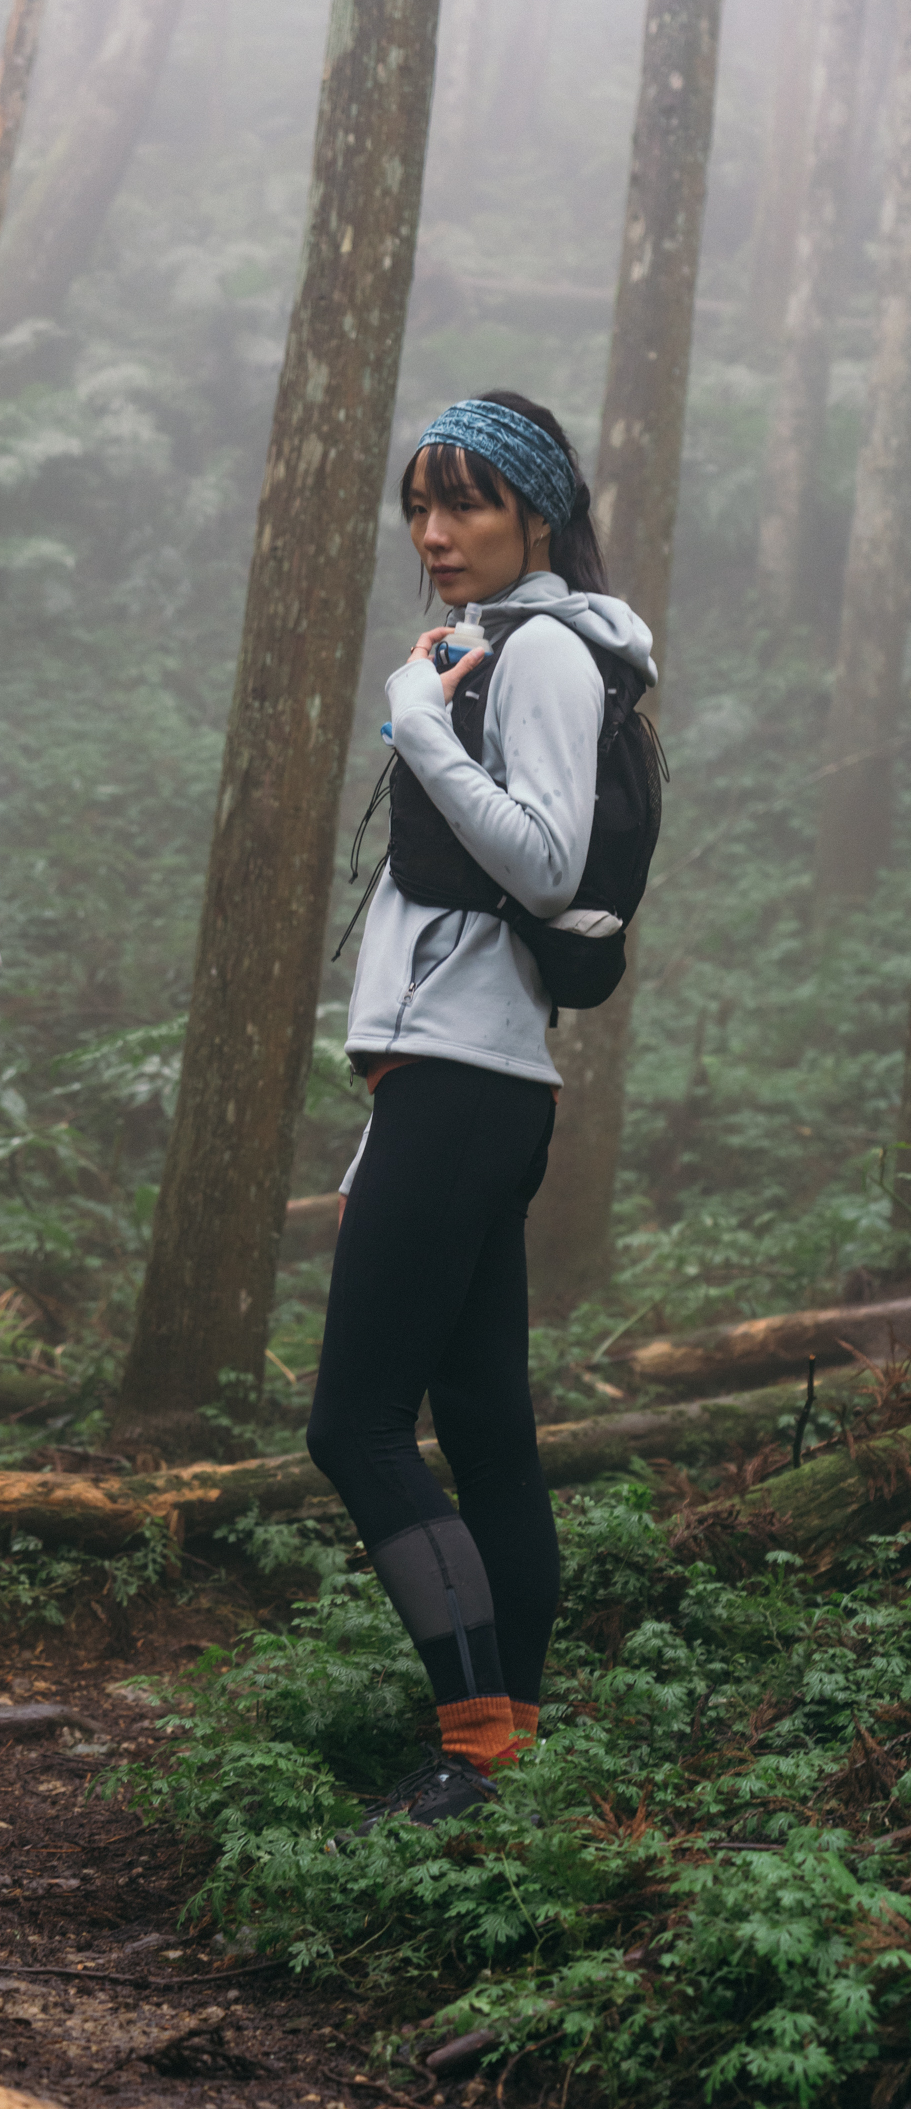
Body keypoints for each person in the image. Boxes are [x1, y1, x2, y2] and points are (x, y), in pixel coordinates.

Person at [306, 392, 656, 1829]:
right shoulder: (494, 649)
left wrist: (414, 725)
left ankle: (469, 1749)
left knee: (356, 1428)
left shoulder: (546, 658)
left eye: (464, 506)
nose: (433, 534)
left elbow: (543, 854)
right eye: (417, 506)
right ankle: (506, 1735)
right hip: (447, 1080)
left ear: (534, 515)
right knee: (484, 1425)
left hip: (466, 1081)